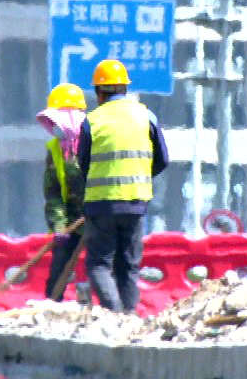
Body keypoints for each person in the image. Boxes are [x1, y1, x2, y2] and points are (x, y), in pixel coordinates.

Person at [77, 59, 168, 313]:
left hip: (101, 204)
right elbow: (162, 159)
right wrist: (139, 175)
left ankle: (115, 313)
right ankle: (128, 317)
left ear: (98, 92)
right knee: (129, 265)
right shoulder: (146, 115)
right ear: (125, 89)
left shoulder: (91, 121)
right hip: (135, 202)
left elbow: (83, 164)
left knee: (99, 264)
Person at [37, 83, 88, 301]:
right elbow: (54, 195)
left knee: (101, 267)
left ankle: (109, 311)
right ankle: (51, 306)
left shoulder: (95, 143)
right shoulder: (56, 150)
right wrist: (59, 226)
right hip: (71, 224)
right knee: (59, 268)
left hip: (99, 218)